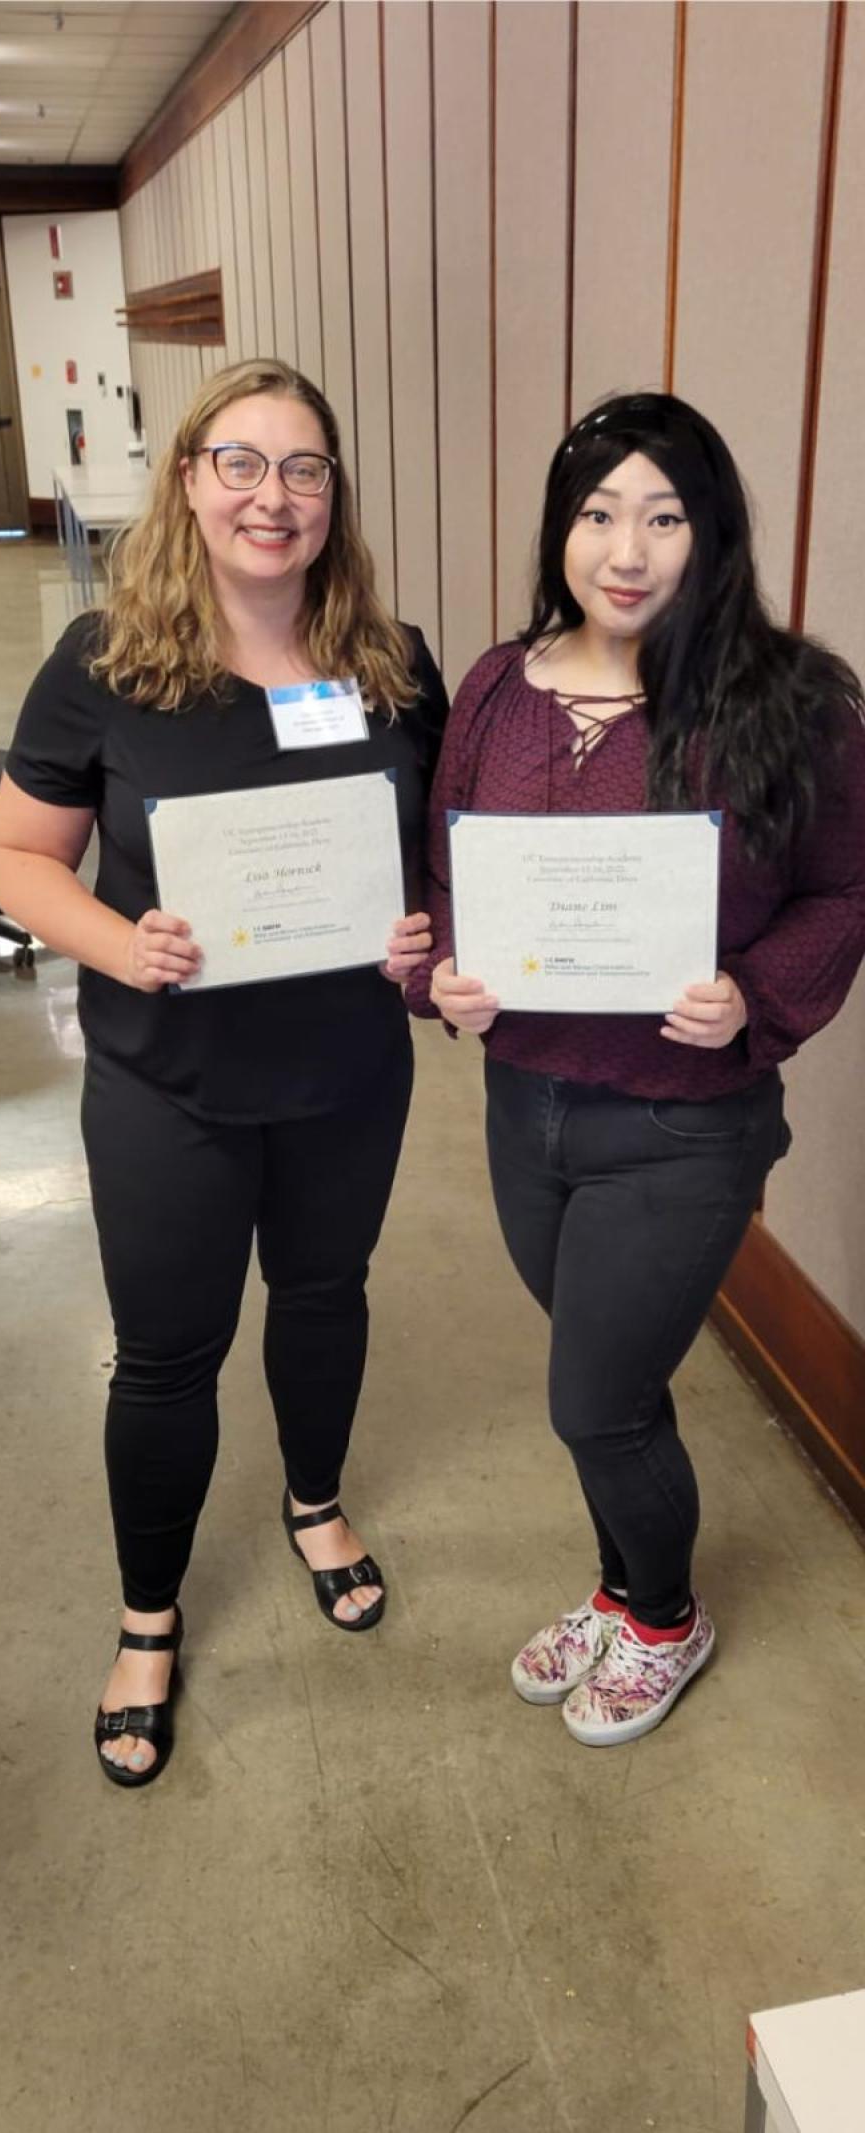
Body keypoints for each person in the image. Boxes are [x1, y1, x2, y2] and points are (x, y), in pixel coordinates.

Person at [0, 358, 448, 1787]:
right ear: (188, 480)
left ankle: (315, 1501)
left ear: (334, 501)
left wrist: (430, 938)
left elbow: (427, 855)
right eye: (239, 462)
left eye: (303, 468)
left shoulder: (394, 666)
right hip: (165, 1080)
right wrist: (125, 945)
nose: (272, 495)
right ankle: (147, 1617)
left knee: (323, 1297)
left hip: (346, 1074)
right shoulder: (105, 661)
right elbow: (15, 856)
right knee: (168, 1354)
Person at [406, 391, 865, 1747]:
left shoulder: (793, 701)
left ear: (709, 532)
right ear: (563, 527)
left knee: (592, 1396)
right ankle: (619, 1586)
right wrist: (449, 973)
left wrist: (754, 997)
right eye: (600, 512)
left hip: (682, 1121)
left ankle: (663, 1614)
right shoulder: (497, 683)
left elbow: (844, 889)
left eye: (664, 515)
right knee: (613, 1378)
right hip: (523, 1099)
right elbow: (450, 867)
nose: (627, 547)